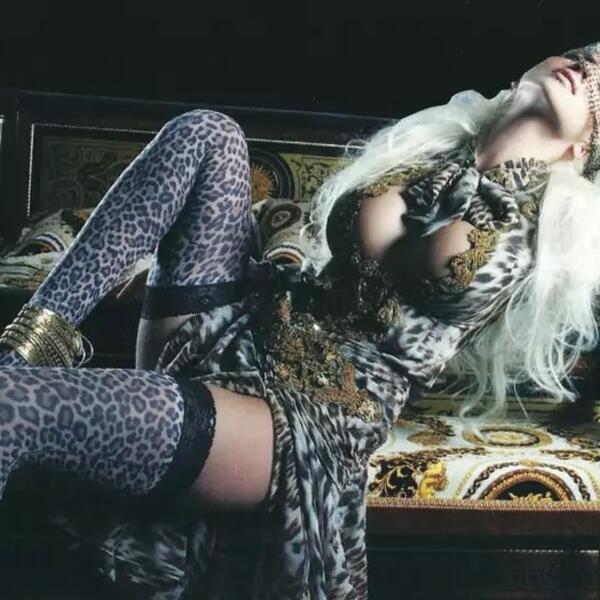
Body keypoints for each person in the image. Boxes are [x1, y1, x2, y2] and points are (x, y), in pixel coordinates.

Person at [0, 41, 599, 599]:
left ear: (584, 149)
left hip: (302, 412)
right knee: (207, 131)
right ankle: (26, 344)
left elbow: (425, 268)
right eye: (582, 56)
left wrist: (505, 174)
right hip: (236, 332)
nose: (585, 70)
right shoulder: (431, 154)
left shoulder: (539, 235)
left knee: (10, 405)